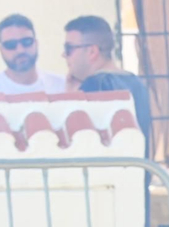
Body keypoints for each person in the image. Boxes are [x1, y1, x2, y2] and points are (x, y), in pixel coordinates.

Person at [62, 15, 154, 158]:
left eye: (69, 48)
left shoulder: (95, 84)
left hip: (107, 178)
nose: (64, 55)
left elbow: (74, 143)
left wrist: (70, 96)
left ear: (92, 51)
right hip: (136, 175)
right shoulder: (136, 83)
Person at [0, 13, 66, 95]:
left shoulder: (62, 88)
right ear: (1, 50)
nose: (20, 50)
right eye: (11, 45)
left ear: (36, 43)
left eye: (26, 42)